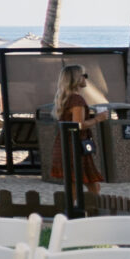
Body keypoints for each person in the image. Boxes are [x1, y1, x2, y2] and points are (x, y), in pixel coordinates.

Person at [47, 62, 106, 198]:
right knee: (92, 185)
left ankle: (71, 214)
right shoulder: (76, 99)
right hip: (75, 146)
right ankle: (95, 213)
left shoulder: (65, 98)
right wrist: (98, 119)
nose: (86, 78)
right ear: (77, 79)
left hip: (64, 144)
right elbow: (78, 125)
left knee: (73, 183)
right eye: (84, 75)